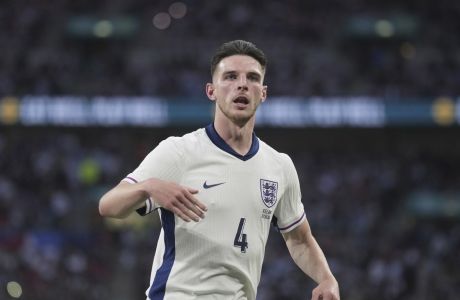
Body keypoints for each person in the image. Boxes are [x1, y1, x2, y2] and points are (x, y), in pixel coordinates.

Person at [99, 40, 340, 300]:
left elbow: (300, 240)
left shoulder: (279, 166)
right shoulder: (179, 152)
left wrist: (327, 278)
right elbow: (108, 206)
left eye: (252, 78)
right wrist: (148, 186)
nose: (242, 84)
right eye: (230, 77)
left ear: (263, 93)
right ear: (211, 91)